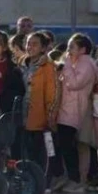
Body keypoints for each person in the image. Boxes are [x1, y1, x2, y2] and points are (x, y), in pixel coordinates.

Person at [56, 34, 98, 192]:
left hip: (74, 110)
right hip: (67, 109)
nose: (68, 50)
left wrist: (66, 65)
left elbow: (75, 83)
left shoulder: (86, 63)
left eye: (72, 47)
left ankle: (76, 179)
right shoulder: (76, 63)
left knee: (69, 144)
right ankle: (71, 177)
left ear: (83, 49)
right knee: (65, 144)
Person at [20, 31, 58, 171]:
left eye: (34, 44)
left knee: (44, 152)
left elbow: (52, 94)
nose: (30, 47)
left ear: (43, 48)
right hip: (23, 117)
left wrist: (50, 117)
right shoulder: (22, 63)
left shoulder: (48, 66)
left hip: (41, 120)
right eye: (28, 44)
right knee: (26, 152)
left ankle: (43, 180)